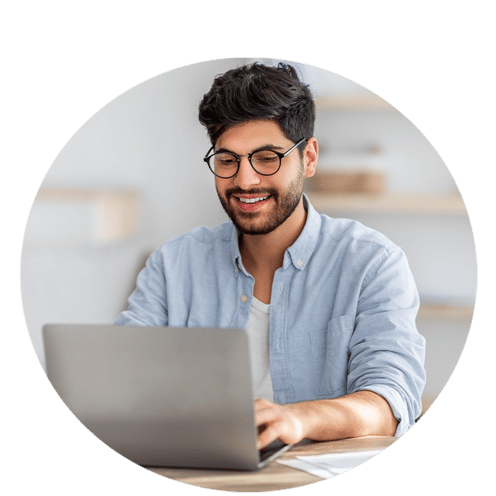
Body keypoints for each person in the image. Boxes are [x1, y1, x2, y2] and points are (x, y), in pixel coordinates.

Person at [115, 62, 426, 449]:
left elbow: (390, 403)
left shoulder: (372, 263)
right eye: (228, 160)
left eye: (267, 158)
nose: (245, 180)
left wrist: (299, 417)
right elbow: (122, 378)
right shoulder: (174, 264)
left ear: (308, 158)